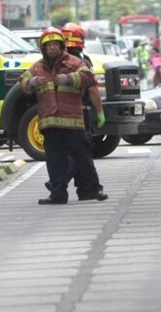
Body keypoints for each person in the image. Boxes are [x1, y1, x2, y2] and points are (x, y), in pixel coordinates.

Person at [21, 27, 107, 205]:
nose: (52, 48)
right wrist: (31, 82)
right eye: (48, 45)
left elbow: (89, 79)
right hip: (49, 122)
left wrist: (68, 79)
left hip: (72, 121)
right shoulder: (38, 67)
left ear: (62, 46)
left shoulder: (74, 63)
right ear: (43, 48)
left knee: (82, 156)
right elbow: (22, 83)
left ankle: (94, 190)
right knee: (55, 160)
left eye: (55, 45)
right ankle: (57, 194)